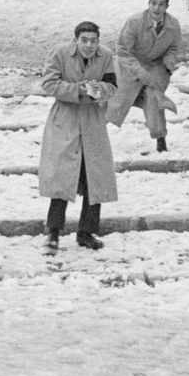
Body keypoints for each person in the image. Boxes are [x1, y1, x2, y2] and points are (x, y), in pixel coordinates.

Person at [38, 21, 119, 253]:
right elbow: (49, 83)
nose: (89, 45)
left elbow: (112, 85)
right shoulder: (60, 53)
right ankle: (52, 231)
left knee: (95, 176)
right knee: (62, 177)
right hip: (66, 119)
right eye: (84, 40)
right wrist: (78, 90)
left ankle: (87, 232)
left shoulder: (105, 56)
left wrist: (99, 90)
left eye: (93, 41)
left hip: (92, 121)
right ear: (76, 40)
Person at [108, 0, 183, 152]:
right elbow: (122, 50)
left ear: (167, 7)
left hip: (155, 66)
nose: (157, 8)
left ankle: (160, 138)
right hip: (129, 65)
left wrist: (168, 62)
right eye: (154, 3)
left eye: (161, 4)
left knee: (154, 98)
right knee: (114, 101)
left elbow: (174, 47)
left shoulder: (173, 25)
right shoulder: (134, 22)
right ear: (148, 3)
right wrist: (138, 70)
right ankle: (94, 135)